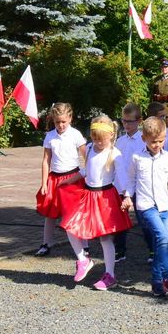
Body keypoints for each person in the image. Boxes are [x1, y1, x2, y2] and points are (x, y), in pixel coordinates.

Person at [121, 116, 168, 297]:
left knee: (161, 243)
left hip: (163, 207)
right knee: (163, 238)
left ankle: (156, 282)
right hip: (146, 206)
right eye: (153, 141)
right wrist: (127, 196)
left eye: (161, 141)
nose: (157, 145)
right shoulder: (137, 157)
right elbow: (131, 180)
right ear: (144, 138)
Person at [58, 116, 133, 290]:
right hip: (88, 195)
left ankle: (110, 275)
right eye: (94, 138)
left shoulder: (115, 154)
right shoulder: (91, 148)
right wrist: (69, 180)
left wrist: (127, 195)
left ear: (111, 135)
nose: (98, 142)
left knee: (105, 237)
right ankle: (83, 260)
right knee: (70, 226)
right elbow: (87, 170)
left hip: (105, 198)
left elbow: (122, 177)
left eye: (101, 139)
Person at [35, 102, 88, 257]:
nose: (60, 125)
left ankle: (84, 245)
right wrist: (44, 183)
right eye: (57, 122)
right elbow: (46, 160)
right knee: (50, 212)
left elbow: (87, 157)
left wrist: (86, 175)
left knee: (75, 212)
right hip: (55, 178)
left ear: (70, 118)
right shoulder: (50, 136)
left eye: (63, 121)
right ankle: (46, 243)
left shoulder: (76, 135)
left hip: (73, 178)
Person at [114, 103, 146, 262]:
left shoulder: (143, 140)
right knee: (119, 218)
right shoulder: (120, 141)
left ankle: (152, 250)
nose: (126, 124)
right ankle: (120, 250)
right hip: (122, 185)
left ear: (139, 121)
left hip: (139, 185)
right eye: (124, 121)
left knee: (143, 218)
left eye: (130, 121)